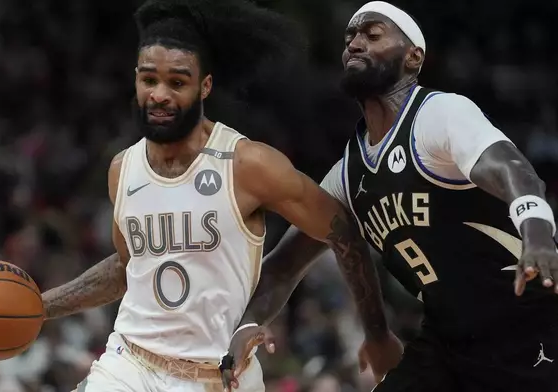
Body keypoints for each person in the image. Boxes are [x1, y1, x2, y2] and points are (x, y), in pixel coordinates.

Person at [38, 0, 401, 391]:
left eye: (177, 82)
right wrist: (40, 307)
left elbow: (342, 230)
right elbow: (130, 267)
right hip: (130, 365)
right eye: (149, 80)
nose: (159, 94)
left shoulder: (248, 164)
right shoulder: (122, 169)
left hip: (222, 376)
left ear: (204, 86)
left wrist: (376, 332)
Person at [220, 2, 558, 391]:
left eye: (373, 35)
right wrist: (248, 324)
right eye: (350, 38)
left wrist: (537, 233)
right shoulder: (347, 176)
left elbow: (511, 168)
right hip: (447, 343)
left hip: (530, 324)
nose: (355, 44)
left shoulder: (439, 114)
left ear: (413, 57)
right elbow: (284, 266)